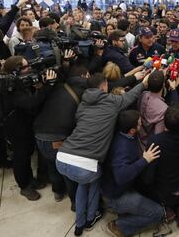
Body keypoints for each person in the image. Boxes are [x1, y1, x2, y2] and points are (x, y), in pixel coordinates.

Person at [56, 73, 148, 236]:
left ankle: (79, 224)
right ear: (104, 85)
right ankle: (90, 218)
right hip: (84, 164)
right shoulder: (111, 101)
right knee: (94, 179)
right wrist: (144, 83)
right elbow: (131, 95)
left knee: (83, 183)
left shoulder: (83, 103)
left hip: (62, 157)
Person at [2, 56, 57, 201]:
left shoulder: (20, 81)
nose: (30, 69)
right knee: (21, 157)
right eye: (26, 67)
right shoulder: (9, 86)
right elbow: (30, 103)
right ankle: (24, 186)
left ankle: (29, 179)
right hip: (15, 127)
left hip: (26, 123)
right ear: (15, 71)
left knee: (28, 152)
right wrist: (47, 87)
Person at [102, 110, 164, 237]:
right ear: (132, 130)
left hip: (119, 187)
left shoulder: (124, 135)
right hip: (116, 196)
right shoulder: (122, 148)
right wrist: (145, 160)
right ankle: (119, 226)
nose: (141, 124)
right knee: (158, 213)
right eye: (139, 123)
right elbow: (121, 176)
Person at [33, 64, 89, 206]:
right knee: (67, 170)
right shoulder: (83, 91)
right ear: (84, 76)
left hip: (39, 134)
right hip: (56, 137)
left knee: (52, 164)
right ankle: (75, 203)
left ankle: (58, 192)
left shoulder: (58, 87)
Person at [145, 104, 179, 237]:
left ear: (164, 122)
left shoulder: (155, 141)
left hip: (165, 192)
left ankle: (170, 209)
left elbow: (149, 176)